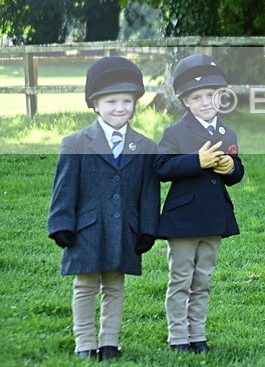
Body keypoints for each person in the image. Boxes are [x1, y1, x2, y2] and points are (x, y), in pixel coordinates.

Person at [48, 56, 160, 361]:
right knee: (85, 285)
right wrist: (60, 223)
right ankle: (84, 342)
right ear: (95, 104)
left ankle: (110, 342)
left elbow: (149, 192)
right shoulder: (75, 143)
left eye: (127, 100)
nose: (120, 107)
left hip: (124, 228)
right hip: (86, 229)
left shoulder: (145, 146)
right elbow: (64, 188)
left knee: (114, 285)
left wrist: (148, 228)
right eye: (111, 101)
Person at [155, 54, 244, 354]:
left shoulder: (227, 133)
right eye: (197, 97)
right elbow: (162, 167)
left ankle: (198, 334)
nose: (206, 102)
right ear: (185, 101)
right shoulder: (175, 133)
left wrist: (231, 169)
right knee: (181, 279)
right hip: (183, 221)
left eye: (211, 95)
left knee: (203, 280)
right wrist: (197, 161)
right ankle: (179, 337)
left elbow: (237, 171)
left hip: (214, 219)